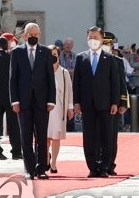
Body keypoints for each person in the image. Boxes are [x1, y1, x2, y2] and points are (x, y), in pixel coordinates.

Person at [72, 26, 122, 178]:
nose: (93, 40)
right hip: (87, 104)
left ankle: (104, 167)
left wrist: (115, 102)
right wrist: (76, 102)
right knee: (89, 136)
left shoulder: (110, 58)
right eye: (90, 37)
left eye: (96, 37)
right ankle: (93, 167)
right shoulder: (81, 58)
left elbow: (115, 82)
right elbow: (77, 82)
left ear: (102, 39)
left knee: (107, 136)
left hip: (105, 103)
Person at [9, 23, 56, 179]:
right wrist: (14, 101)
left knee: (42, 137)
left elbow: (50, 78)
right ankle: (29, 169)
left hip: (42, 102)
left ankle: (41, 168)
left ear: (40, 35)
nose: (33, 37)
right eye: (31, 34)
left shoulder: (46, 52)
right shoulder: (16, 53)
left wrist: (51, 100)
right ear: (24, 35)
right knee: (26, 137)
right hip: (23, 102)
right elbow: (13, 79)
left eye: (36, 34)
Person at [102, 32, 130, 175]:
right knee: (99, 136)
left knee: (112, 136)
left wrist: (123, 103)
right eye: (104, 44)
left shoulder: (117, 61)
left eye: (108, 44)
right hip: (99, 103)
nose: (107, 46)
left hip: (114, 104)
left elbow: (122, 84)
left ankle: (110, 164)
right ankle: (100, 163)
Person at [46, 45, 73, 173]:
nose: (53, 57)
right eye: (50, 54)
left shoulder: (64, 72)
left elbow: (69, 91)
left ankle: (54, 163)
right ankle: (46, 158)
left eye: (55, 54)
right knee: (45, 137)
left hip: (58, 109)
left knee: (56, 136)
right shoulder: (42, 70)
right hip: (45, 109)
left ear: (58, 56)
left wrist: (70, 108)